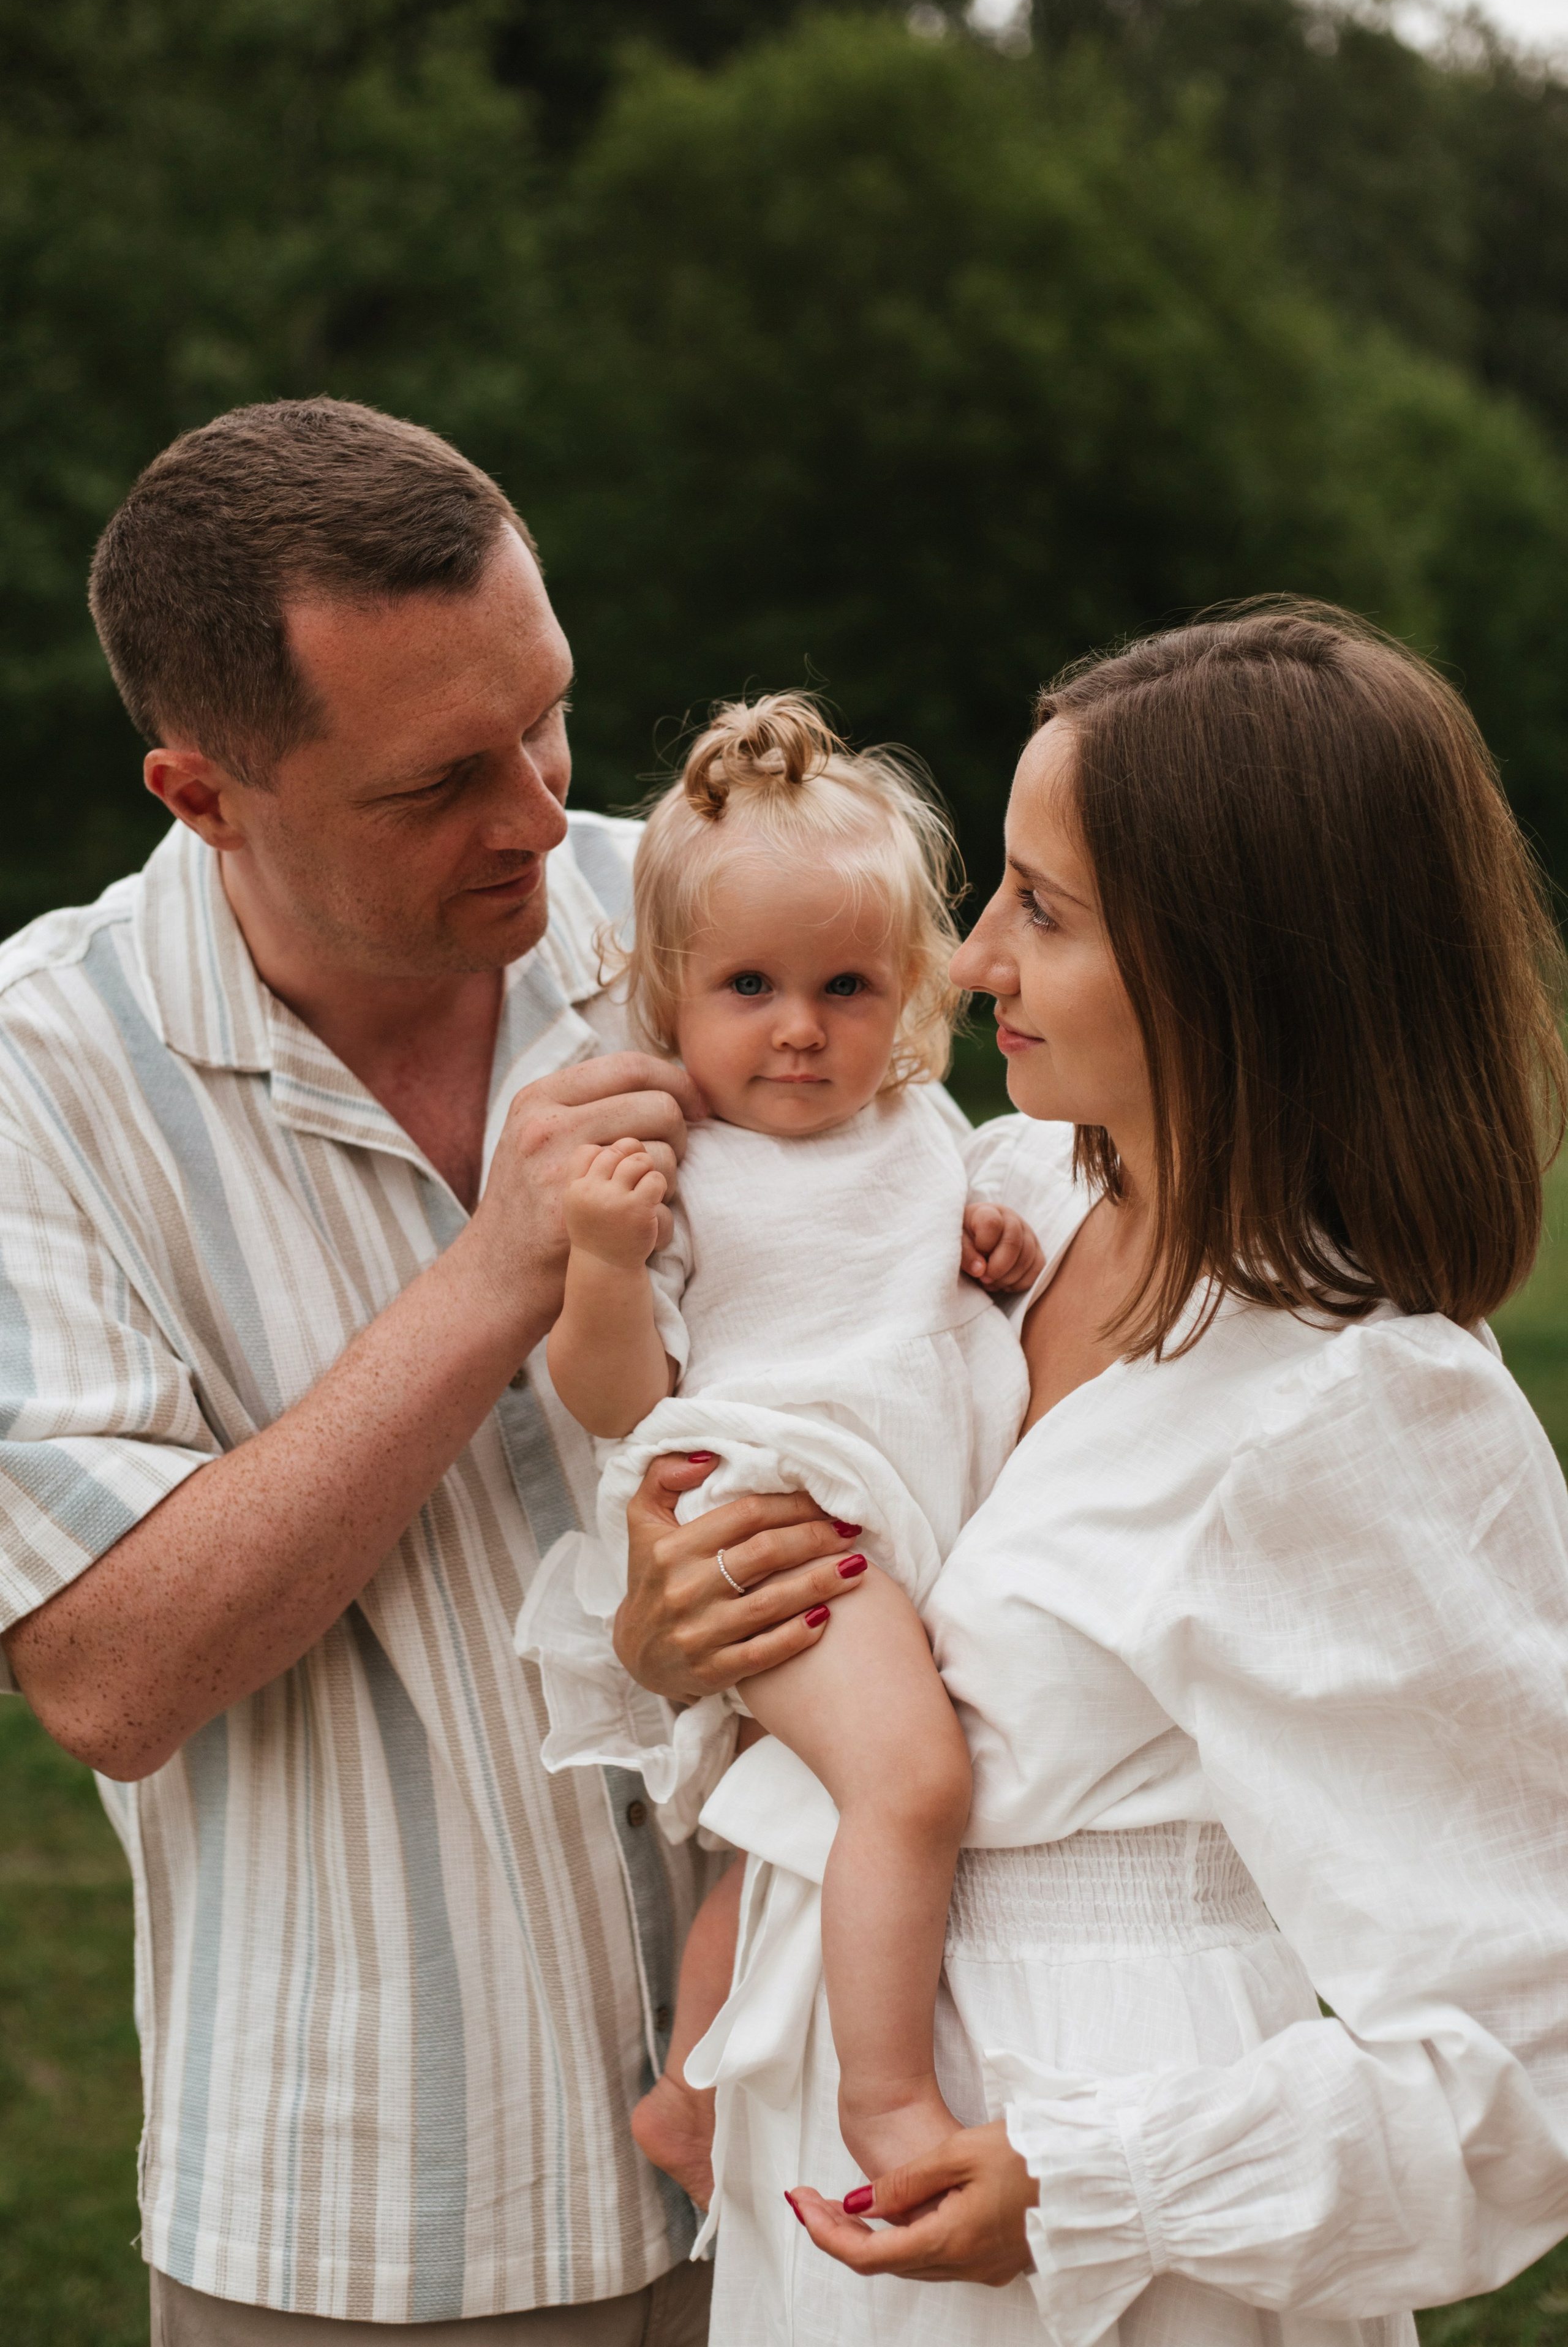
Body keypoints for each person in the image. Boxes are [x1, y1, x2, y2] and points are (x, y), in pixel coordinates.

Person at [0, 397, 861, 2345]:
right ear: (203, 792)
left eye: (549, 714)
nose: (549, 815)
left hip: (821, 2146)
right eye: (441, 782)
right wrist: (493, 1281)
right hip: (376, 2218)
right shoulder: (33, 1082)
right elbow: (109, 1675)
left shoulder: (728, 933)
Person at [612, 604, 1568, 2343]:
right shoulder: (1001, 1196)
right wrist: (680, 1637)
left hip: (1115, 2275)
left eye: (1041, 913)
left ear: (1236, 964)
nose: (969, 963)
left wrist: (1097, 2184)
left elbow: (1537, 2058)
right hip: (841, 2224)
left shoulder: (1358, 1414)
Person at [529, 692, 1047, 2212]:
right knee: (910, 1790)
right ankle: (888, 2106)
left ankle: (688, 2099)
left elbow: (924, 1275)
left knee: (809, 1824)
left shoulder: (918, 1132)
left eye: (845, 985)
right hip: (775, 1520)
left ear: (908, 995)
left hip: (902, 1524)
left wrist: (985, 1241)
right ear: (667, 991)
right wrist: (607, 1266)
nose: (800, 1027)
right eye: (748, 984)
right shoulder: (678, 1167)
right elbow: (613, 1399)